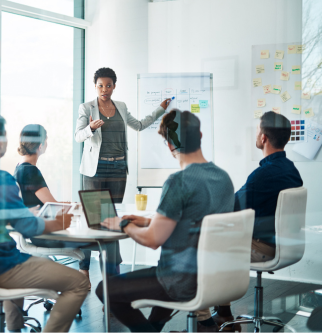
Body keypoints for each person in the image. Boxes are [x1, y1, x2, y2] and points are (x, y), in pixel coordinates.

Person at [96, 109, 235, 332]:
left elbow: (153, 240)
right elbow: (197, 221)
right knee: (163, 280)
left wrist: (123, 224)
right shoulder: (223, 177)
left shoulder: (179, 181)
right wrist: (147, 220)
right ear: (200, 136)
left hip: (180, 279)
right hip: (217, 276)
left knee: (105, 289)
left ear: (170, 145)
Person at [0, 114, 89, 333]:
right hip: (2, 268)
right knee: (78, 283)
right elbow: (29, 227)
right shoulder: (0, 179)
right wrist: (58, 223)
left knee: (19, 262)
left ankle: (14, 328)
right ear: (0, 142)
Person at [202, 111, 304, 331]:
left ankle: (204, 323)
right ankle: (224, 312)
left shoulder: (264, 174)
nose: (256, 134)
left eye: (258, 130)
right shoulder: (291, 170)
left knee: (203, 245)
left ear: (264, 137)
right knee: (222, 236)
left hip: (264, 247)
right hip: (285, 244)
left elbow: (231, 207)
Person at [74, 67, 172, 280]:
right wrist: (90, 128)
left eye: (108, 85)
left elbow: (138, 125)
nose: (104, 89)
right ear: (95, 86)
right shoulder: (86, 107)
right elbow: (78, 136)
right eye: (100, 85)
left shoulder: (121, 106)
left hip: (118, 169)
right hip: (95, 171)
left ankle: (111, 277)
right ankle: (84, 272)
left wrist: (160, 110)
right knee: (94, 221)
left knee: (112, 220)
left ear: (114, 86)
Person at [13, 124, 122, 280]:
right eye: (46, 140)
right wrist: (74, 207)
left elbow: (42, 203)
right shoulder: (30, 171)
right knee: (109, 241)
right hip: (46, 235)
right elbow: (54, 207)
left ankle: (84, 276)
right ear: (40, 145)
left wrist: (69, 205)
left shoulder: (19, 168)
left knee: (90, 231)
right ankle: (112, 291)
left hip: (36, 231)